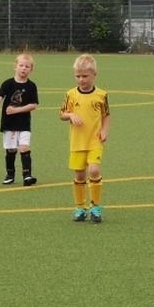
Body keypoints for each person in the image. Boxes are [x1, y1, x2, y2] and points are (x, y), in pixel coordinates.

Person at [59, 54, 110, 223]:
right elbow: (62, 114)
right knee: (80, 175)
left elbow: (106, 115)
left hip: (94, 140)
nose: (81, 80)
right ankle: (80, 208)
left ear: (94, 75)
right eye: (78, 76)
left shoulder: (101, 95)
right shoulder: (71, 94)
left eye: (85, 76)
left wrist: (104, 130)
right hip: (77, 142)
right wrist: (71, 115)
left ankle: (95, 207)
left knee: (94, 171)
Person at [0, 53, 39, 186]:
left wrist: (17, 110)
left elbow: (33, 105)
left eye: (27, 66)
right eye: (21, 65)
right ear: (15, 67)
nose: (23, 68)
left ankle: (27, 175)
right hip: (9, 123)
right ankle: (10, 174)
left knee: (24, 147)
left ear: (31, 69)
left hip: (24, 124)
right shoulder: (8, 83)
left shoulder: (31, 86)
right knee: (11, 150)